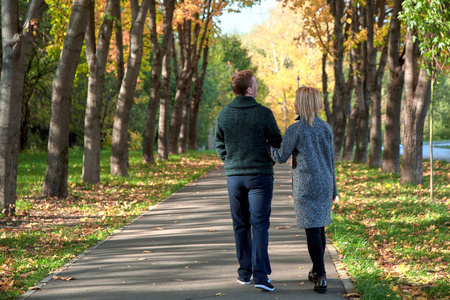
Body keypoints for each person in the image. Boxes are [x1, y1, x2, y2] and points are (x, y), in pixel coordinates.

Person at [214, 70, 282, 292]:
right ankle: (261, 277)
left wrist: (230, 161)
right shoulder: (263, 113)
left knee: (240, 225)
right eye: (255, 82)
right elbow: (277, 140)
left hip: (234, 178)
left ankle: (244, 273)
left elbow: (219, 143)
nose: (258, 84)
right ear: (249, 89)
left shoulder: (223, 114)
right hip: (260, 177)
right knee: (260, 225)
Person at [270, 86, 337, 294]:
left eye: (297, 101)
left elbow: (280, 156)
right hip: (325, 183)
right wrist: (334, 188)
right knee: (319, 228)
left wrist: (266, 147)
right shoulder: (326, 127)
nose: (294, 104)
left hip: (306, 185)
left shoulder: (295, 129)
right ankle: (317, 271)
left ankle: (322, 274)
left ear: (303, 104)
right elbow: (331, 161)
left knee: (312, 229)